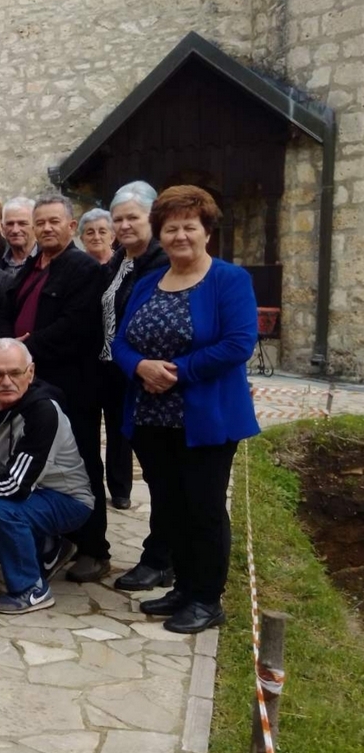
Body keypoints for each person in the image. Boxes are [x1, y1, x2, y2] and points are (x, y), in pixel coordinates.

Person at [112, 185, 259, 633]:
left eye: (189, 227)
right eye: (171, 228)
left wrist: (176, 371)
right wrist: (139, 366)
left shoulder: (228, 280)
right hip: (152, 419)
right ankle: (182, 586)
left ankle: (207, 598)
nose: (180, 236)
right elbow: (119, 340)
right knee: (170, 504)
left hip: (205, 418)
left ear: (206, 231)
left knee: (204, 507)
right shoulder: (147, 283)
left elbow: (239, 343)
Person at [0, 195, 108, 582]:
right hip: (30, 382)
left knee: (81, 462)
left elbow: (77, 327)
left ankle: (95, 547)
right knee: (38, 462)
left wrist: (24, 348)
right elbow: (8, 311)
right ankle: (56, 538)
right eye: (38, 222)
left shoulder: (82, 269)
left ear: (71, 226)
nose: (45, 228)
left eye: (53, 222)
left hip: (71, 384)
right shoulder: (30, 268)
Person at [0, 339, 95, 613]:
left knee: (1, 508)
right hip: (27, 497)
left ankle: (32, 589)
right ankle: (46, 550)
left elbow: (15, 487)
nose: (6, 381)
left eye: (15, 372)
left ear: (31, 373)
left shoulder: (43, 411)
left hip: (67, 500)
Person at [102, 182, 173, 591]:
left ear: (152, 219)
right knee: (159, 474)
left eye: (133, 217)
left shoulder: (160, 262)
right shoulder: (120, 260)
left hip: (152, 382)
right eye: (119, 218)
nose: (125, 225)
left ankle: (162, 558)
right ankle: (164, 554)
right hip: (120, 376)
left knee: (165, 478)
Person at [0, 196, 37, 270]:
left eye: (22, 223)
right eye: (10, 224)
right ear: (2, 227)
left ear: (35, 225)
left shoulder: (48, 260)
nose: (15, 230)